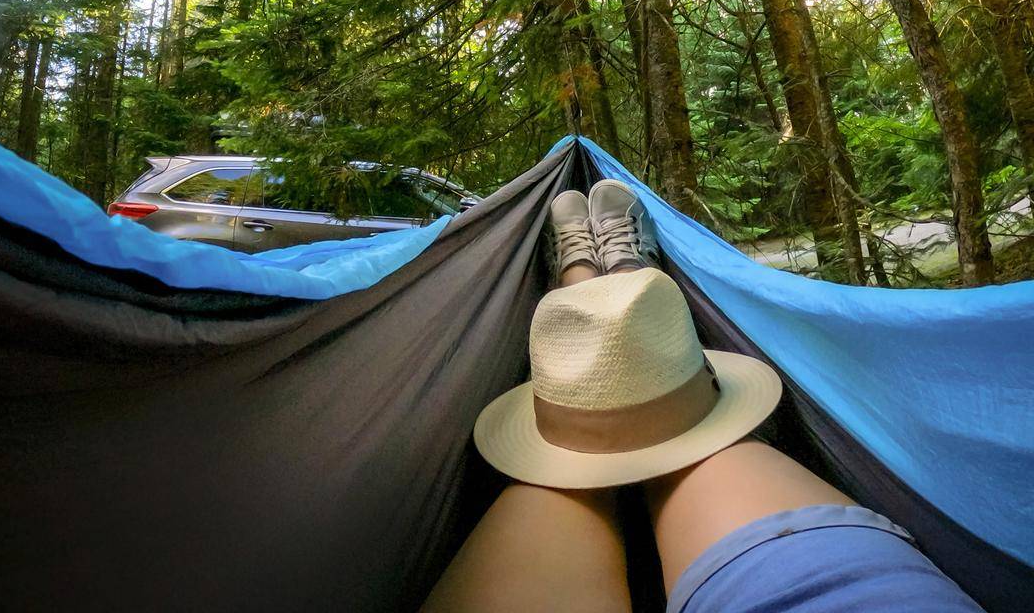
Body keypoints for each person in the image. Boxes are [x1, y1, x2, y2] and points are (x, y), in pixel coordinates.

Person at [421, 180, 985, 613]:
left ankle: (580, 279)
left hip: (566, 445)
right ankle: (626, 274)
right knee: (707, 468)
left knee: (566, 486)